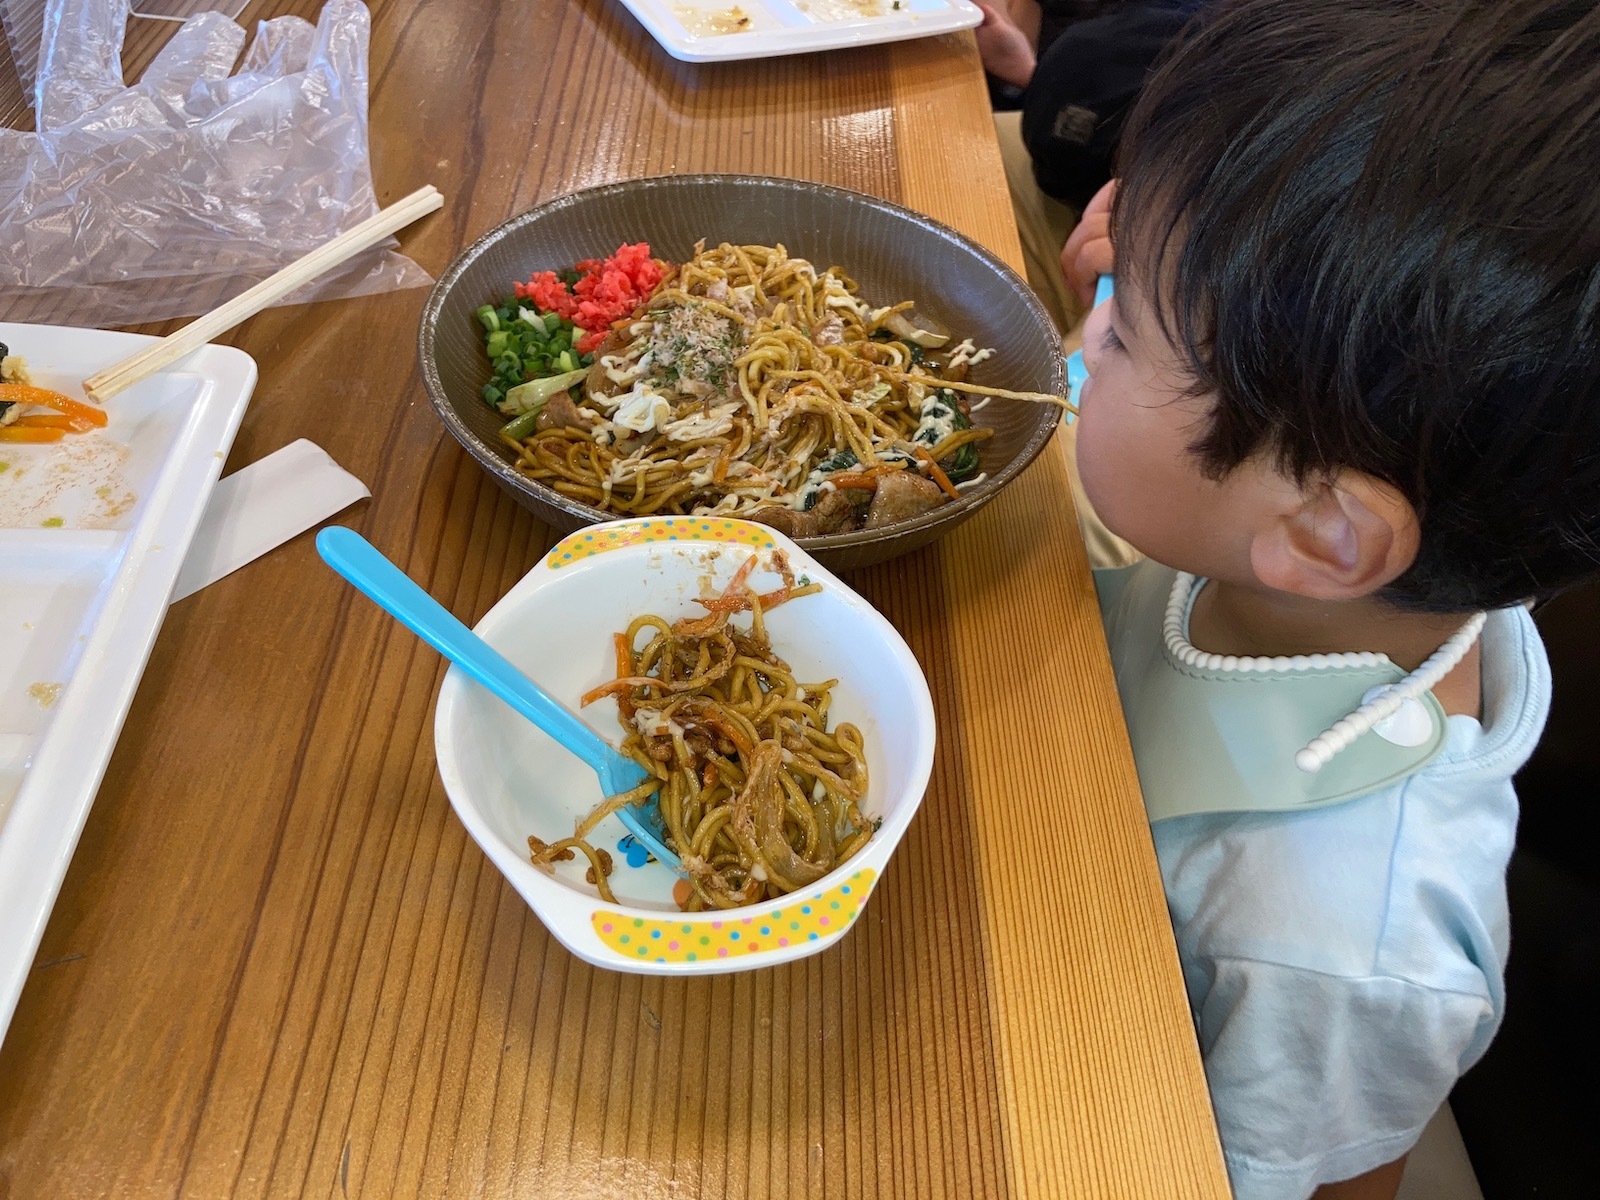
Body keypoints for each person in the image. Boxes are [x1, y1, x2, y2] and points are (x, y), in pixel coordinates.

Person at [1064, 2, 1600, 1197]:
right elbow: (1146, 457)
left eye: (1127, 328)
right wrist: (1117, 317)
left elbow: (1312, 1180)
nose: (1092, 297)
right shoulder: (1360, 570)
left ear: (1324, 533)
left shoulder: (1340, 944)